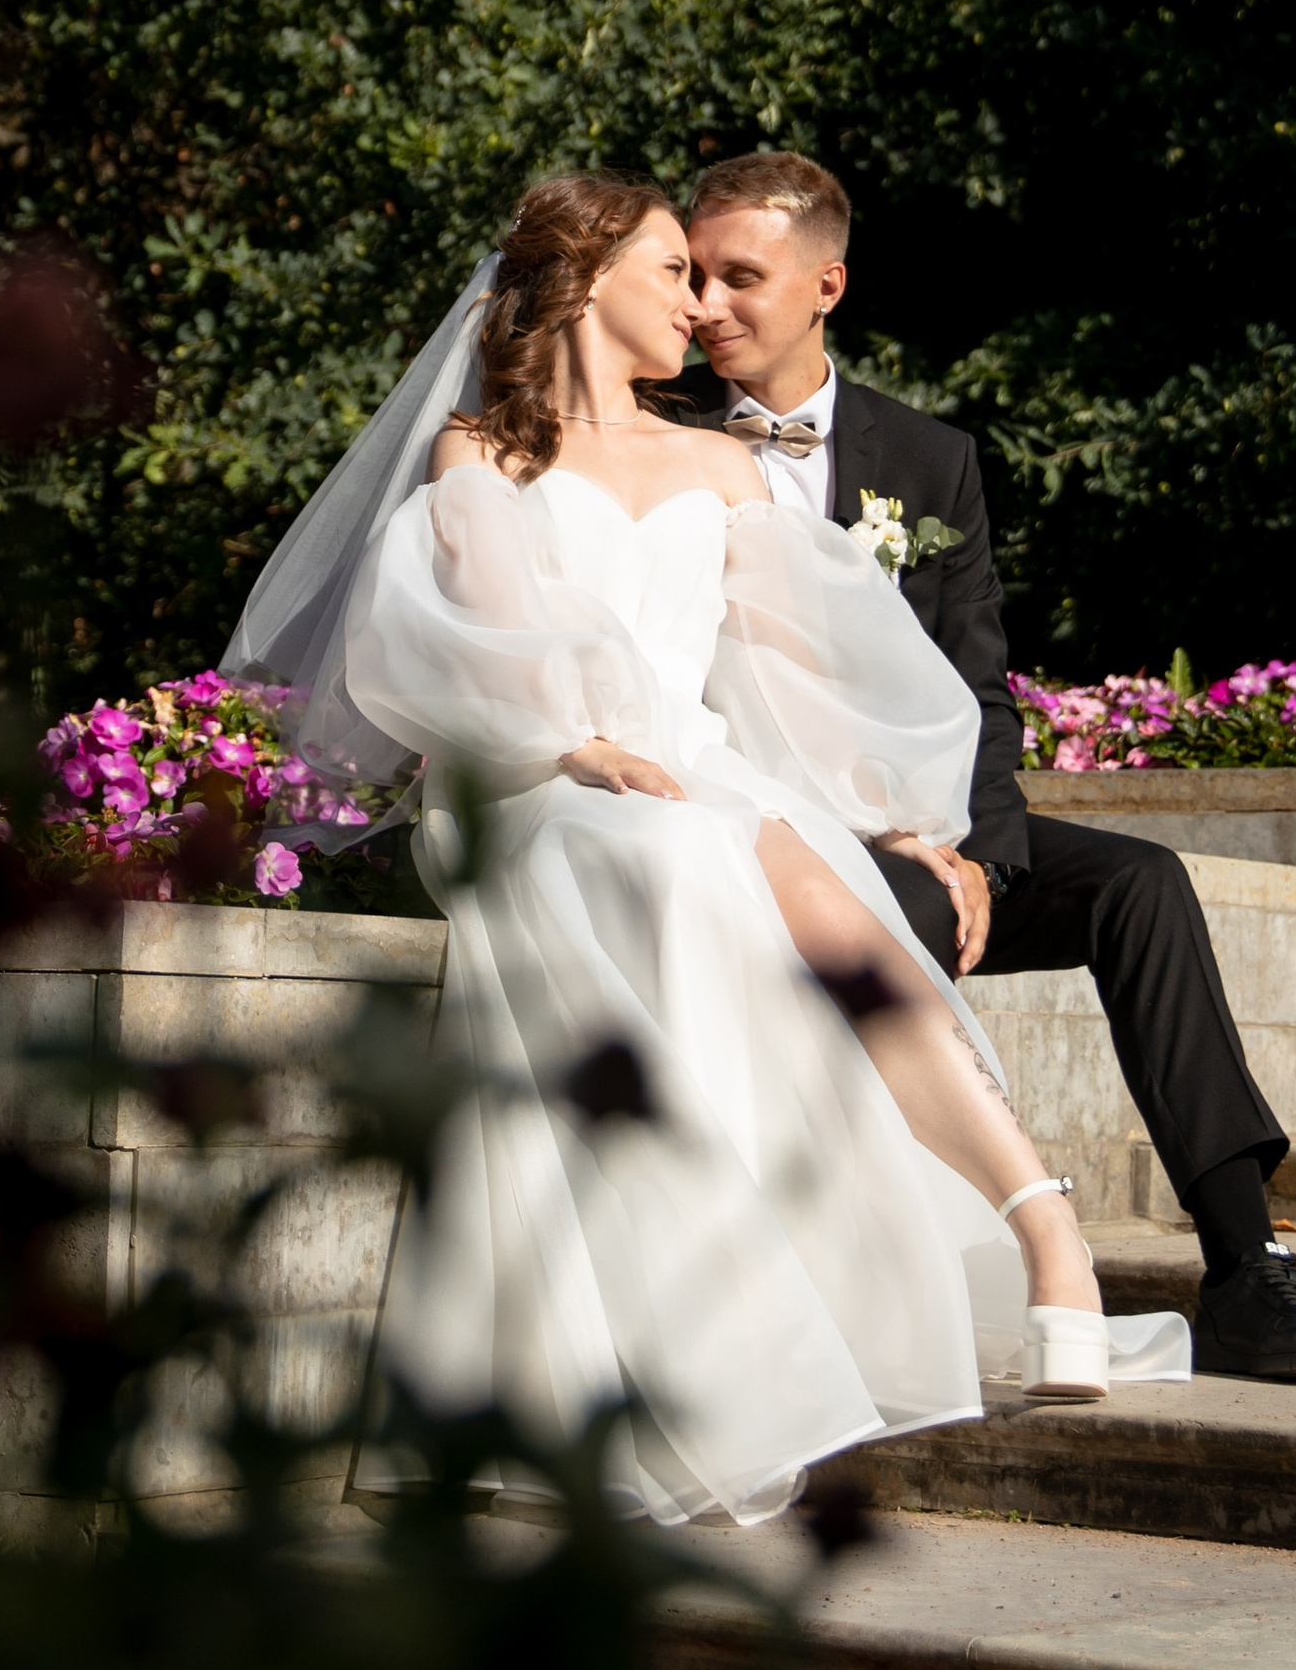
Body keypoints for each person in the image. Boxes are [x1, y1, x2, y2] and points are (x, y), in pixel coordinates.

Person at [221, 170, 1188, 1533]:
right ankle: (726, 1329)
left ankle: (1050, 1235)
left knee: (816, 884)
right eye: (676, 269)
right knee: (678, 857)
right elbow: (481, 647)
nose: (699, 302)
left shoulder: (719, 462)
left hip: (695, 771)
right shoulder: (480, 455)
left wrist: (891, 807)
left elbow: (810, 663)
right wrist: (566, 743)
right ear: (588, 279)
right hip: (537, 784)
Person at [671, 149, 1296, 1385]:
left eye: (743, 276)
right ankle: (945, 1271)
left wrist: (977, 852)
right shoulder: (652, 435)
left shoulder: (929, 457)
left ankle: (1248, 1264)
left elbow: (974, 684)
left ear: (827, 282)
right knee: (887, 901)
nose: (708, 304)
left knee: (1139, 883)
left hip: (922, 836)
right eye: (696, 273)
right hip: (767, 842)